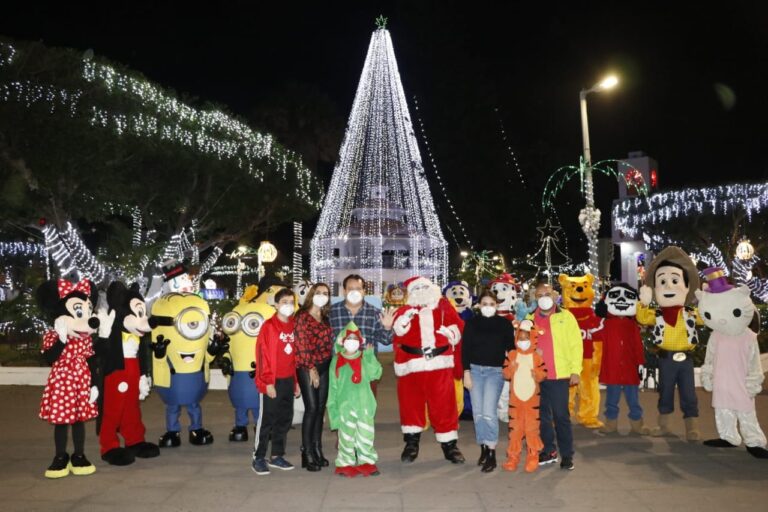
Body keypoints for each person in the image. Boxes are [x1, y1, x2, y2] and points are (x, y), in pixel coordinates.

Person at [530, 281, 582, 470]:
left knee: (561, 416)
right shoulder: (529, 319)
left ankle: (567, 455)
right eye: (540, 295)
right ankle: (549, 450)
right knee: (542, 417)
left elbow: (576, 344)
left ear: (554, 296)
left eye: (547, 294)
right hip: (536, 377)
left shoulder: (566, 317)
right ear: (535, 298)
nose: (544, 298)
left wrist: (576, 370)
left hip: (559, 375)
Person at [462, 290, 515, 472]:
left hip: (495, 372)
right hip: (475, 371)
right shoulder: (471, 323)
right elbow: (465, 349)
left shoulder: (504, 324)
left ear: (497, 305)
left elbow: (511, 348)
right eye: (484, 304)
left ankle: (491, 451)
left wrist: (515, 362)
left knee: (488, 412)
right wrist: (466, 372)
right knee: (477, 413)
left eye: (491, 304)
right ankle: (483, 447)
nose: (488, 307)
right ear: (478, 305)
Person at [252, 288, 300, 475]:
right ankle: (258, 457)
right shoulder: (269, 327)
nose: (288, 305)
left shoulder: (294, 325)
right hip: (272, 381)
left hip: (288, 380)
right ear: (276, 304)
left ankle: (277, 455)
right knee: (267, 420)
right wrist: (267, 383)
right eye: (284, 302)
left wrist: (295, 382)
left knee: (284, 419)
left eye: (291, 301)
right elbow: (262, 356)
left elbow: (295, 356)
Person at [327, 322, 383, 477]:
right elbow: (333, 387)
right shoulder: (336, 361)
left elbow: (375, 374)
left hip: (364, 404)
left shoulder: (365, 357)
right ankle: (345, 463)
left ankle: (367, 462)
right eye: (349, 338)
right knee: (346, 436)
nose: (352, 341)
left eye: (355, 338)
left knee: (366, 434)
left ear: (360, 342)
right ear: (342, 341)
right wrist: (333, 409)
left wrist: (371, 357)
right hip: (345, 405)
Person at [329, 275, 395, 395]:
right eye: (350, 288)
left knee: (366, 409)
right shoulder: (332, 312)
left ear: (364, 291)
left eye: (358, 289)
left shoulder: (374, 312)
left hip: (366, 370)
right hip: (340, 370)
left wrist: (387, 327)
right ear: (344, 291)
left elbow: (386, 340)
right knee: (341, 410)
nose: (355, 292)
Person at [294, 283, 333, 471]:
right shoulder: (302, 316)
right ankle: (306, 452)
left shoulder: (324, 317)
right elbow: (301, 344)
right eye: (318, 293)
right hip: (307, 366)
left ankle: (317, 449)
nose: (322, 296)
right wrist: (311, 368)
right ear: (311, 294)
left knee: (320, 409)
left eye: (325, 293)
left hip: (325, 366)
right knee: (311, 408)